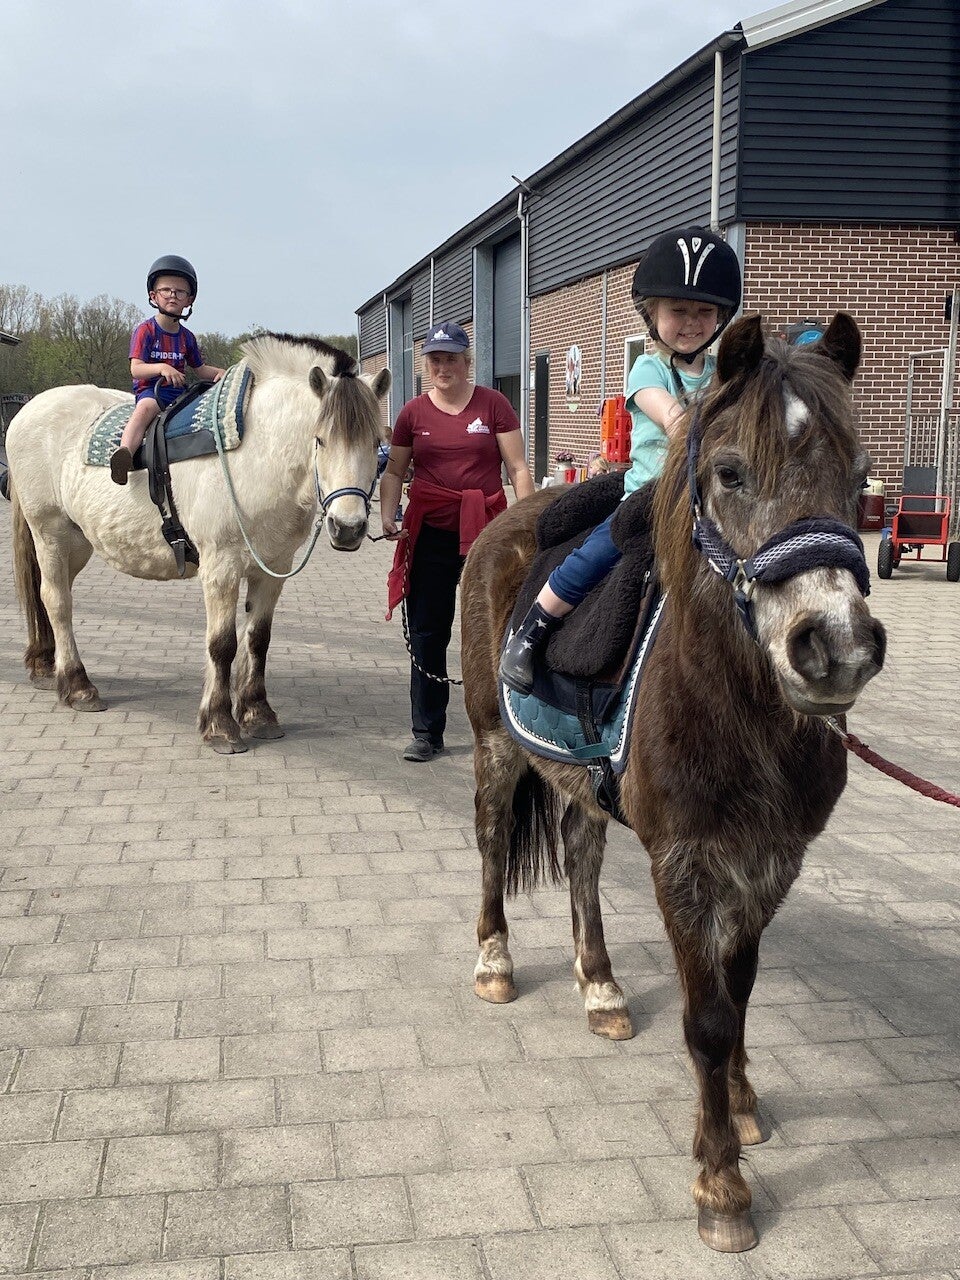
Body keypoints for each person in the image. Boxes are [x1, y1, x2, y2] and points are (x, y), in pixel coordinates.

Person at [499, 226, 742, 694]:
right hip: (650, 498)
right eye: (678, 310)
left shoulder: (723, 374)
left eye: (704, 312)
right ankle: (532, 629)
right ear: (653, 313)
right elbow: (671, 418)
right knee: (596, 553)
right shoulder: (647, 369)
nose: (691, 322)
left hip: (708, 502)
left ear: (721, 317)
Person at [382, 320, 535, 761]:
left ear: (468, 362)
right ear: (426, 365)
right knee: (428, 633)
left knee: (493, 629)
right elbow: (394, 470)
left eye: (451, 358)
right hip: (430, 534)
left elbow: (518, 468)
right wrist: (388, 514)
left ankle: (503, 728)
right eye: (435, 359)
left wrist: (532, 522)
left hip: (487, 535)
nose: (443, 367)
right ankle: (426, 732)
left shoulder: (494, 405)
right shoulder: (412, 414)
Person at [110, 255, 225, 485]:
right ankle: (124, 454)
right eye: (166, 290)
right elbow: (136, 369)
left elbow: (200, 369)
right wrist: (162, 368)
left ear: (189, 300)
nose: (173, 295)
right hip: (152, 391)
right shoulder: (146, 331)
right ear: (154, 296)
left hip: (179, 394)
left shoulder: (187, 337)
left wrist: (224, 373)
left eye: (180, 292)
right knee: (144, 410)